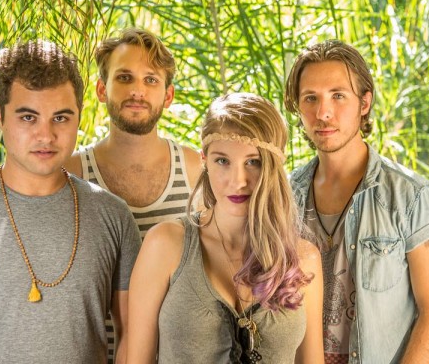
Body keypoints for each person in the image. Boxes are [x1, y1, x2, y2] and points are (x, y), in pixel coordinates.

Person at [0, 40, 141, 364]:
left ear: (79, 116)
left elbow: (134, 339)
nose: (46, 135)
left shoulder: (113, 216)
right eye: (28, 117)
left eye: (61, 118)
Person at [284, 40, 429, 364]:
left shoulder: (411, 197)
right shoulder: (284, 196)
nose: (323, 112)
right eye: (310, 98)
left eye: (338, 95)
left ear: (364, 102)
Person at [127, 93, 325, 363]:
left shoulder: (304, 259)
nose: (237, 181)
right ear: (205, 161)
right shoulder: (165, 244)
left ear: (275, 165)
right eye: (222, 161)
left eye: (253, 162)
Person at [64, 28, 202, 362]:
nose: (138, 91)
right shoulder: (71, 173)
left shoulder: (196, 169)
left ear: (168, 96)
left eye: (151, 80)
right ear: (102, 89)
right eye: (124, 77)